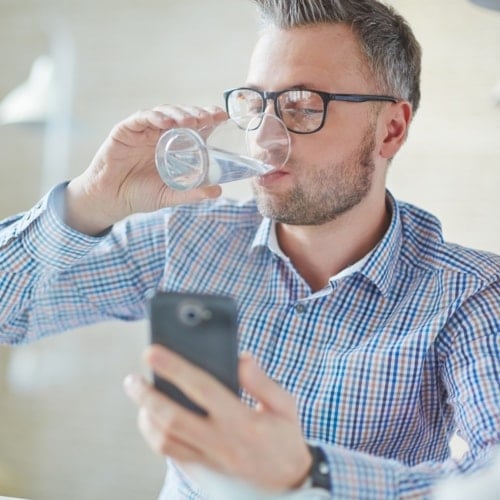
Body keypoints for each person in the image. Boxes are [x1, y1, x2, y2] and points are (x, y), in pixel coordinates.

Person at [0, 0, 498, 498]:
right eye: (256, 105)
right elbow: (9, 312)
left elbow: (488, 480)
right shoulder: (190, 238)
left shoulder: (468, 295)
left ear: (391, 129)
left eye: (302, 106)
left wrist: (306, 475)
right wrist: (91, 199)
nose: (264, 135)